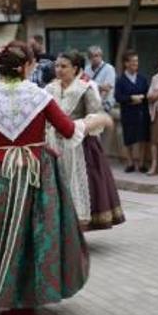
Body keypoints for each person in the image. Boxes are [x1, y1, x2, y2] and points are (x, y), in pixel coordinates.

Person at [0, 41, 111, 315]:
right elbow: (67, 130)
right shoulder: (39, 97)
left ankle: (2, 294)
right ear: (28, 66)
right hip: (37, 172)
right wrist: (96, 120)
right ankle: (30, 296)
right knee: (36, 232)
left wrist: (2, 143)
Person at [46, 51, 124, 231]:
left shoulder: (84, 88)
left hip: (80, 146)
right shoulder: (50, 89)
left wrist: (75, 127)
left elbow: (96, 115)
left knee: (84, 186)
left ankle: (77, 228)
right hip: (54, 146)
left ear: (75, 69)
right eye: (57, 66)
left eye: (63, 66)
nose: (58, 69)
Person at [114, 51, 150, 173]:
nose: (135, 63)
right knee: (128, 138)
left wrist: (142, 98)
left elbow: (148, 94)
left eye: (136, 61)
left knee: (142, 138)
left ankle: (141, 163)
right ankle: (130, 162)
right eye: (133, 61)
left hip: (141, 112)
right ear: (126, 63)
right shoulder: (121, 80)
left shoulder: (142, 78)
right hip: (128, 112)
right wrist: (130, 98)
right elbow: (118, 97)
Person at [84, 46, 116, 111]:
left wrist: (92, 86)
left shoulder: (109, 69)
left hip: (105, 103)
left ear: (101, 56)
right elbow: (84, 86)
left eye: (96, 56)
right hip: (90, 102)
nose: (94, 58)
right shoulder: (87, 69)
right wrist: (99, 87)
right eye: (91, 56)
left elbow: (107, 88)